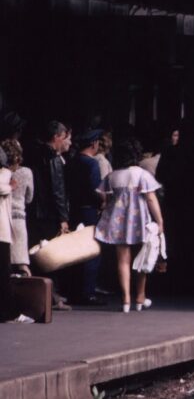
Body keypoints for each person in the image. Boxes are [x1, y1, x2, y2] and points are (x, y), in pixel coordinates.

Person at [95, 140, 165, 313]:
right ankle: (140, 297)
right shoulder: (142, 174)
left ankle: (126, 299)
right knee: (143, 258)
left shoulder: (112, 176)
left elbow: (105, 199)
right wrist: (160, 221)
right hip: (140, 220)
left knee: (123, 260)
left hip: (118, 221)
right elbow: (151, 199)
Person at [65, 129, 105, 306]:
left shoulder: (71, 162)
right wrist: (102, 202)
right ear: (94, 143)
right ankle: (88, 292)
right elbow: (95, 189)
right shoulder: (92, 164)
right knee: (91, 250)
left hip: (74, 210)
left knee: (74, 251)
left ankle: (73, 290)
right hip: (89, 210)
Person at [3, 139, 33, 276]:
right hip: (19, 218)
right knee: (22, 261)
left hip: (4, 219)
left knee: (6, 261)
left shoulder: (2, 172)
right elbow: (29, 197)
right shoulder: (26, 172)